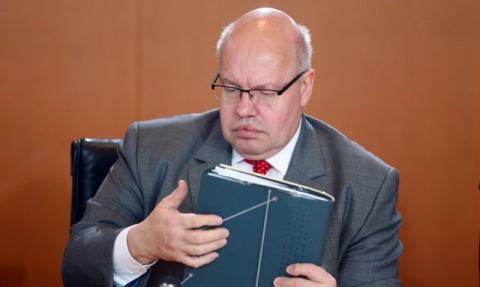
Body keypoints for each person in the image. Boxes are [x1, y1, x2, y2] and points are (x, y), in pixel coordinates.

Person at [62, 7, 402, 287]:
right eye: (231, 88)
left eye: (266, 92)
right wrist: (139, 244)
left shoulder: (367, 185)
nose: (244, 109)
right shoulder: (151, 148)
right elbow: (76, 263)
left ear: (305, 87)